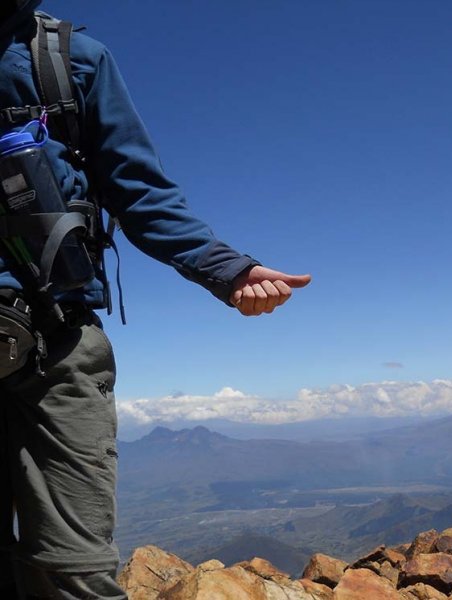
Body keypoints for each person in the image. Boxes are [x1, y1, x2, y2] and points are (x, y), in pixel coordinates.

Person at [0, 1, 311, 597]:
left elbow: (138, 188)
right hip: (50, 339)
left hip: (54, 339)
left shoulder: (69, 60)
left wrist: (226, 269)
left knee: (73, 569)